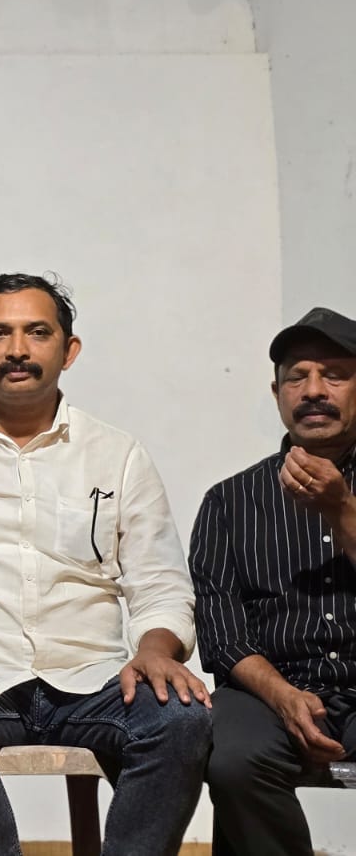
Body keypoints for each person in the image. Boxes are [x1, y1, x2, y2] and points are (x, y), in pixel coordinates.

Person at [0, 273, 211, 855]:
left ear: (70, 350)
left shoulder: (117, 454)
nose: (17, 349)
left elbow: (161, 582)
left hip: (94, 677)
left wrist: (155, 650)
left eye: (37, 332)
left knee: (181, 718)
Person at [191, 306, 356, 856]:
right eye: (296, 377)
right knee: (234, 761)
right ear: (276, 392)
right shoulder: (230, 501)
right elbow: (222, 634)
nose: (314, 391)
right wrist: (283, 696)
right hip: (269, 690)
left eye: (335, 375)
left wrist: (341, 511)